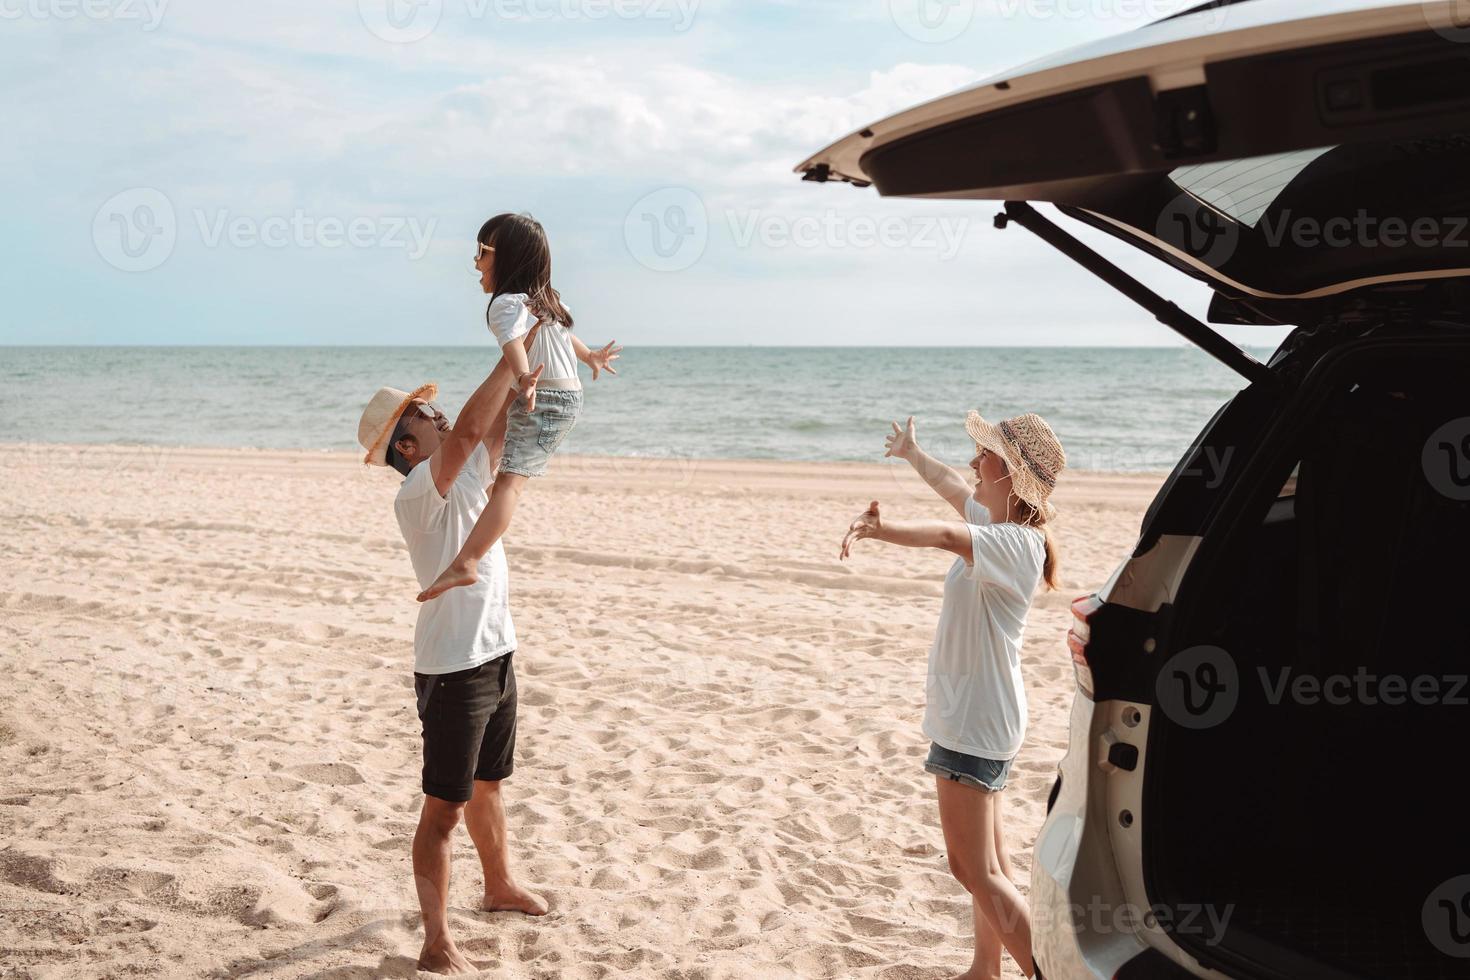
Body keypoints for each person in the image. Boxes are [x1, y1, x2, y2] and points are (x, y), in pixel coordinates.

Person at [840, 412, 1065, 980]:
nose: (973, 460)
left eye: (984, 453)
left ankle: (1052, 973)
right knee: (992, 866)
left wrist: (879, 530)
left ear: (1012, 474)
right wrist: (912, 454)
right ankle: (985, 969)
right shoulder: (1001, 531)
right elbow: (953, 491)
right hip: (982, 716)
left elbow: (944, 535)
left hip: (976, 721)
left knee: (972, 870)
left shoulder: (1014, 543)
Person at [356, 359, 548, 975]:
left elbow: (487, 433)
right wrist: (508, 354)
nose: (437, 412)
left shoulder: (463, 476)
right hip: (452, 670)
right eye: (422, 413)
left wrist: (525, 384)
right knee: (444, 809)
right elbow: (466, 432)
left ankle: (498, 886)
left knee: (490, 784)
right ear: (406, 446)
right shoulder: (416, 493)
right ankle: (436, 942)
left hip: (495, 650)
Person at [417, 212, 620, 603]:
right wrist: (590, 356)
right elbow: (564, 337)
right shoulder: (545, 300)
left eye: (482, 252)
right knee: (505, 473)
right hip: (567, 397)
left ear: (507, 258)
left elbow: (514, 342)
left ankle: (468, 561)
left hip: (542, 395)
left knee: (510, 483)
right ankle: (480, 525)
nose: (475, 262)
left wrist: (524, 377)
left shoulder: (506, 305)